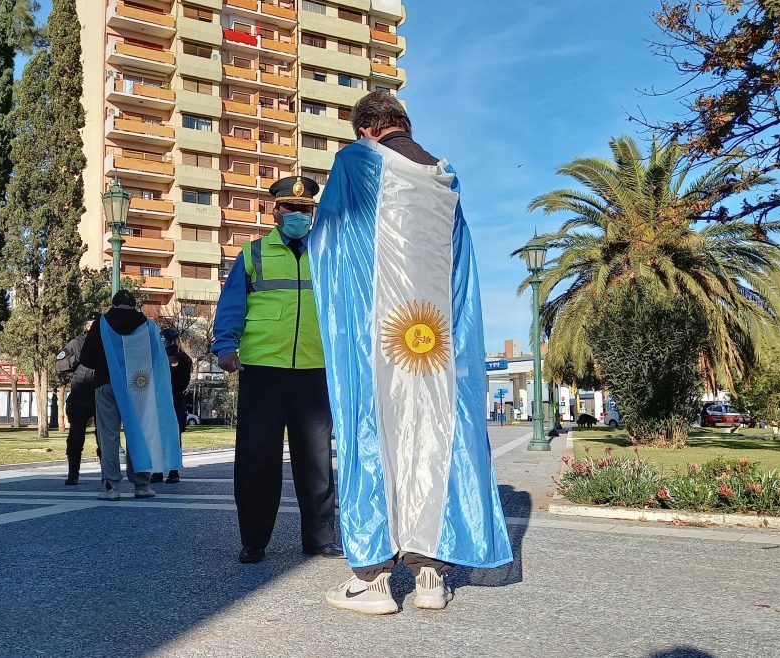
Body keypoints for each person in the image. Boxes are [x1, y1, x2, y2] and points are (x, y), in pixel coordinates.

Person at [310, 91, 514, 614]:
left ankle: (372, 580)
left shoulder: (356, 163)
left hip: (374, 340)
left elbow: (328, 242)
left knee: (371, 433)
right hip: (436, 344)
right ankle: (430, 576)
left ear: (366, 130)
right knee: (434, 440)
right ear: (402, 125)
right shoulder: (446, 177)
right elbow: (463, 268)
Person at [213, 175, 343, 565]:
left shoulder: (329, 255)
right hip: (262, 369)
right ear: (276, 212)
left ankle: (319, 539)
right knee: (256, 458)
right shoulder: (252, 254)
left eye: (305, 210)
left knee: (317, 460)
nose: (299, 216)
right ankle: (254, 540)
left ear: (313, 213)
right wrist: (225, 346)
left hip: (315, 369)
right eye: (292, 210)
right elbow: (232, 304)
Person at [80, 290, 182, 500]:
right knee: (140, 431)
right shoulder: (148, 326)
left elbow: (86, 359)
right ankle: (142, 485)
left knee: (108, 436)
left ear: (113, 305)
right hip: (139, 387)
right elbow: (158, 358)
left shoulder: (102, 324)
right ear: (135, 306)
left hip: (106, 385)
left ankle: (112, 487)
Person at [56, 312, 103, 485]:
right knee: (76, 437)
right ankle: (73, 473)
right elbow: (59, 365)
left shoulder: (107, 343)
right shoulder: (77, 343)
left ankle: (107, 474)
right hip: (80, 395)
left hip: (100, 394)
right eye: (91, 325)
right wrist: (77, 357)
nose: (93, 328)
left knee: (104, 437)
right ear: (86, 326)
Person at [150, 326, 191, 485]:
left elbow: (182, 383)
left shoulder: (183, 358)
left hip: (174, 400)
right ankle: (158, 470)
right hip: (159, 400)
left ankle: (173, 471)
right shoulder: (156, 357)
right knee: (157, 437)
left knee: (174, 437)